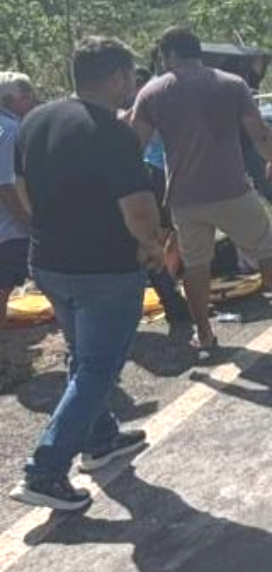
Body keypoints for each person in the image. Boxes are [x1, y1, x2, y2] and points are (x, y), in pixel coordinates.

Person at [8, 37, 163, 510]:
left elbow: (22, 189)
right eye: (132, 76)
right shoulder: (113, 131)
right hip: (106, 268)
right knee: (99, 367)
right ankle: (46, 470)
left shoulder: (34, 120)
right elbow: (138, 208)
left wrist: (52, 230)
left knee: (83, 355)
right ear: (116, 77)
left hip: (51, 261)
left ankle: (100, 439)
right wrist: (152, 246)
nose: (134, 85)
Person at [131, 26, 272, 351]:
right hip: (232, 189)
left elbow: (134, 144)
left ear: (168, 55)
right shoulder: (231, 84)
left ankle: (205, 334)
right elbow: (258, 131)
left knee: (196, 265)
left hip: (184, 197)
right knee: (266, 251)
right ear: (198, 52)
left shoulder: (152, 92)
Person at [127, 67, 191, 325]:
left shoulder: (142, 106)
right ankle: (169, 279)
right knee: (169, 230)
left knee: (164, 230)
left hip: (157, 171)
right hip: (158, 171)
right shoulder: (144, 107)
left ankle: (168, 278)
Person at [0, 72, 36, 326]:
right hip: (9, 228)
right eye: (28, 96)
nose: (32, 102)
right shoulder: (9, 130)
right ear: (13, 99)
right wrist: (27, 222)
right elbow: (6, 185)